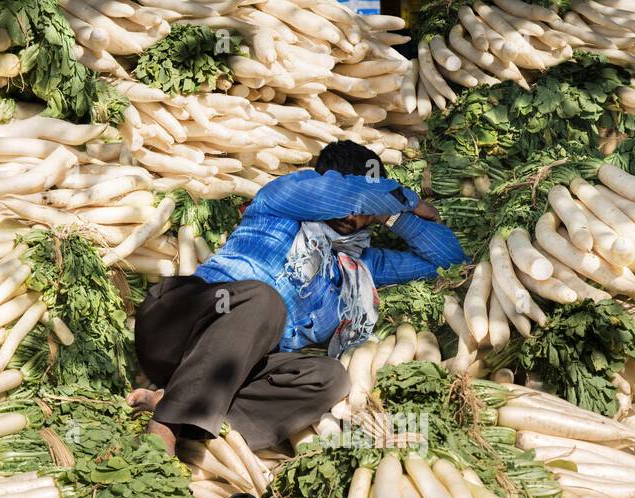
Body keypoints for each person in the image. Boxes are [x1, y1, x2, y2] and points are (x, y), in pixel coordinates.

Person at [127, 141, 469, 459]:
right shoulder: (281, 201)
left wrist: (392, 215)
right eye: (361, 203)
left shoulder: (357, 265)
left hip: (228, 373)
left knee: (331, 378)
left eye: (369, 215)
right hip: (180, 324)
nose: (357, 218)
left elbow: (448, 258)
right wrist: (404, 198)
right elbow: (347, 194)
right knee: (265, 302)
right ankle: (167, 428)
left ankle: (186, 414)